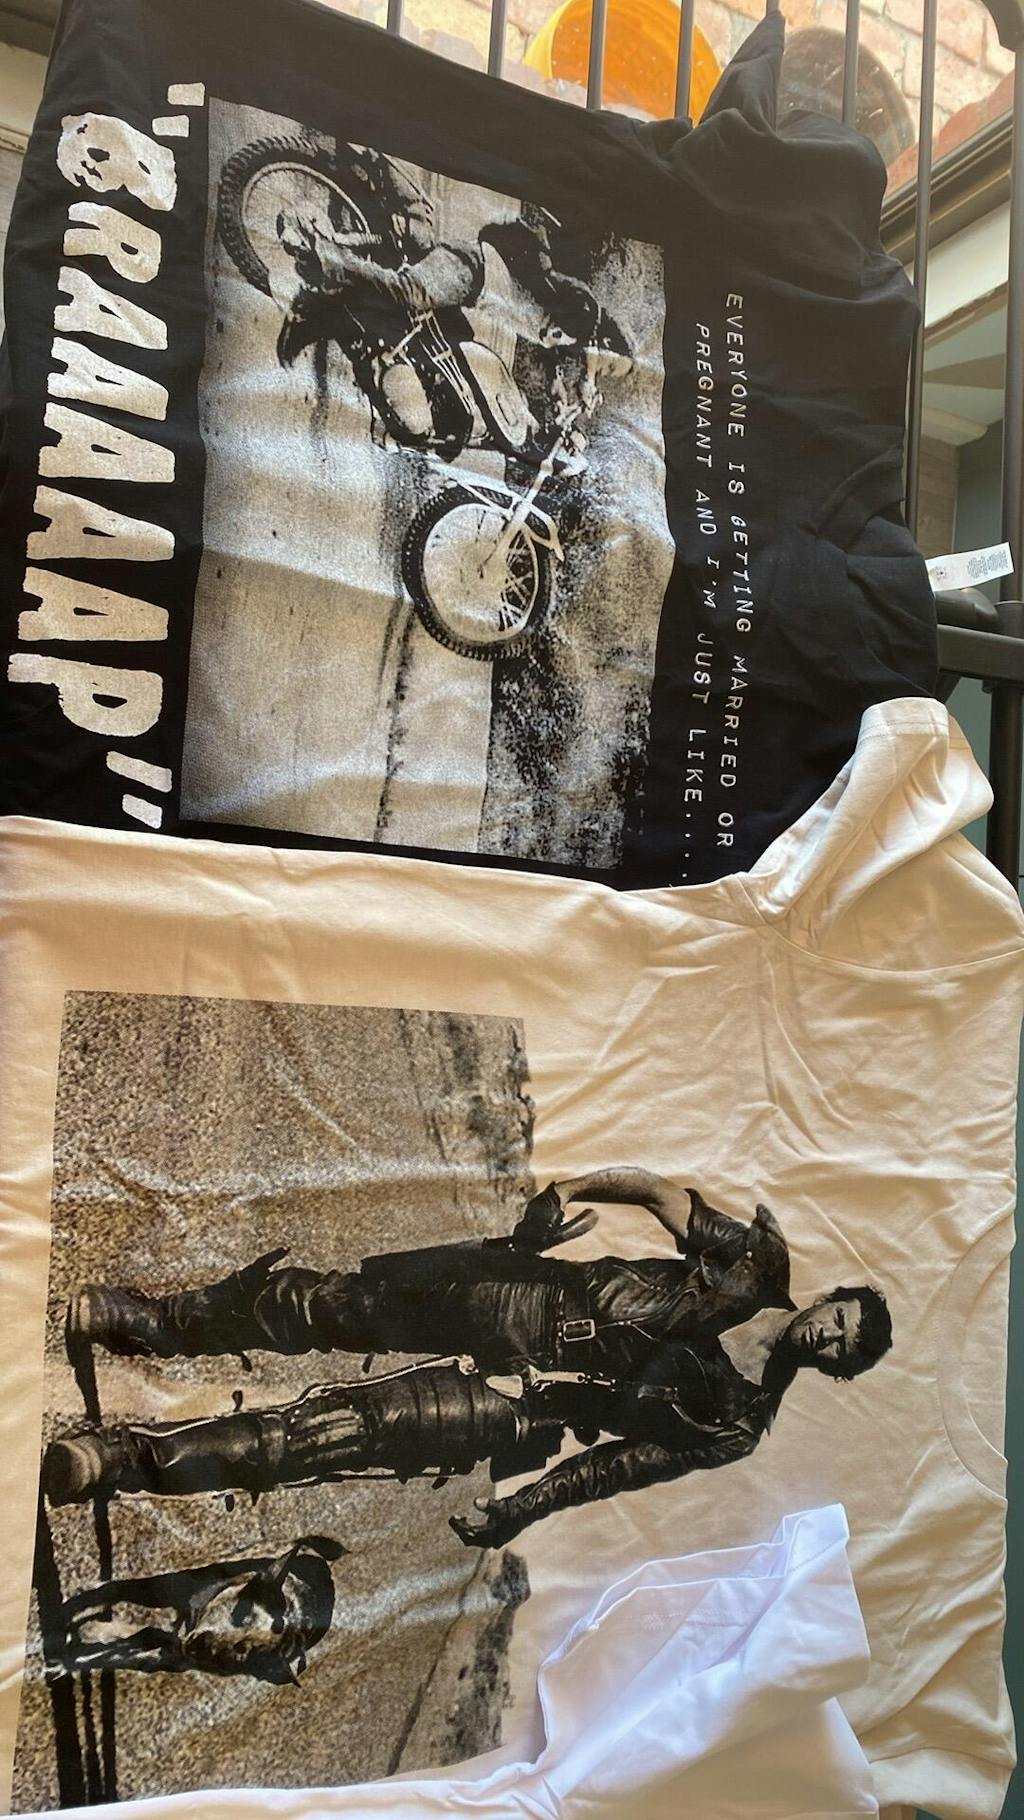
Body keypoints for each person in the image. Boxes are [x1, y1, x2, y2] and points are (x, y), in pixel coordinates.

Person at [44, 1174, 892, 1546]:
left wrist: (521, 1507)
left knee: (329, 1436)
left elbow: (615, 1468)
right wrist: (566, 1189)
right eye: (840, 1321)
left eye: (843, 1351)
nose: (830, 1337)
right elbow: (658, 1193)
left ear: (838, 1370)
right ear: (829, 1300)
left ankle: (122, 1460)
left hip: (527, 1402)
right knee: (326, 1305)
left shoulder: (738, 1427)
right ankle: (152, 1321)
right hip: (519, 1300)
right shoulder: (753, 1264)